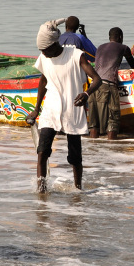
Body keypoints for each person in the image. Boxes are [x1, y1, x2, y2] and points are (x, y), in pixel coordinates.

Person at [26, 18, 102, 192]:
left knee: (75, 157)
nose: (43, 54)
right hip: (50, 111)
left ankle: (78, 190)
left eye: (46, 50)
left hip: (72, 111)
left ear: (55, 43)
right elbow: (42, 82)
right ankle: (41, 191)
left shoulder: (76, 55)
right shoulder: (44, 57)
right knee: (42, 152)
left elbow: (97, 79)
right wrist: (37, 109)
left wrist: (86, 93)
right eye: (41, 51)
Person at [89, 27, 134, 140]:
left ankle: (92, 150)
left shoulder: (100, 47)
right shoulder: (124, 48)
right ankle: (113, 148)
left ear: (109, 37)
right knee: (113, 118)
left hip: (93, 86)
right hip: (108, 85)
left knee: (94, 122)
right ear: (120, 37)